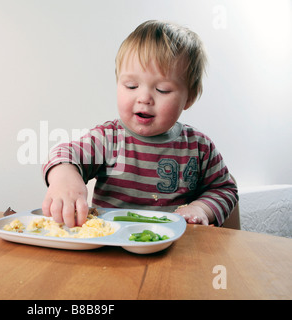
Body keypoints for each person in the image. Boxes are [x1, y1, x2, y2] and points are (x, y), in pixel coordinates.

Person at [41, 20, 238, 228]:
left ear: (189, 98)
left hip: (177, 250)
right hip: (112, 246)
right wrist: (65, 177)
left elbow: (225, 189)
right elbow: (63, 153)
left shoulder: (199, 147)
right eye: (131, 85)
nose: (144, 97)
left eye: (162, 90)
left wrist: (201, 208)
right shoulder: (108, 138)